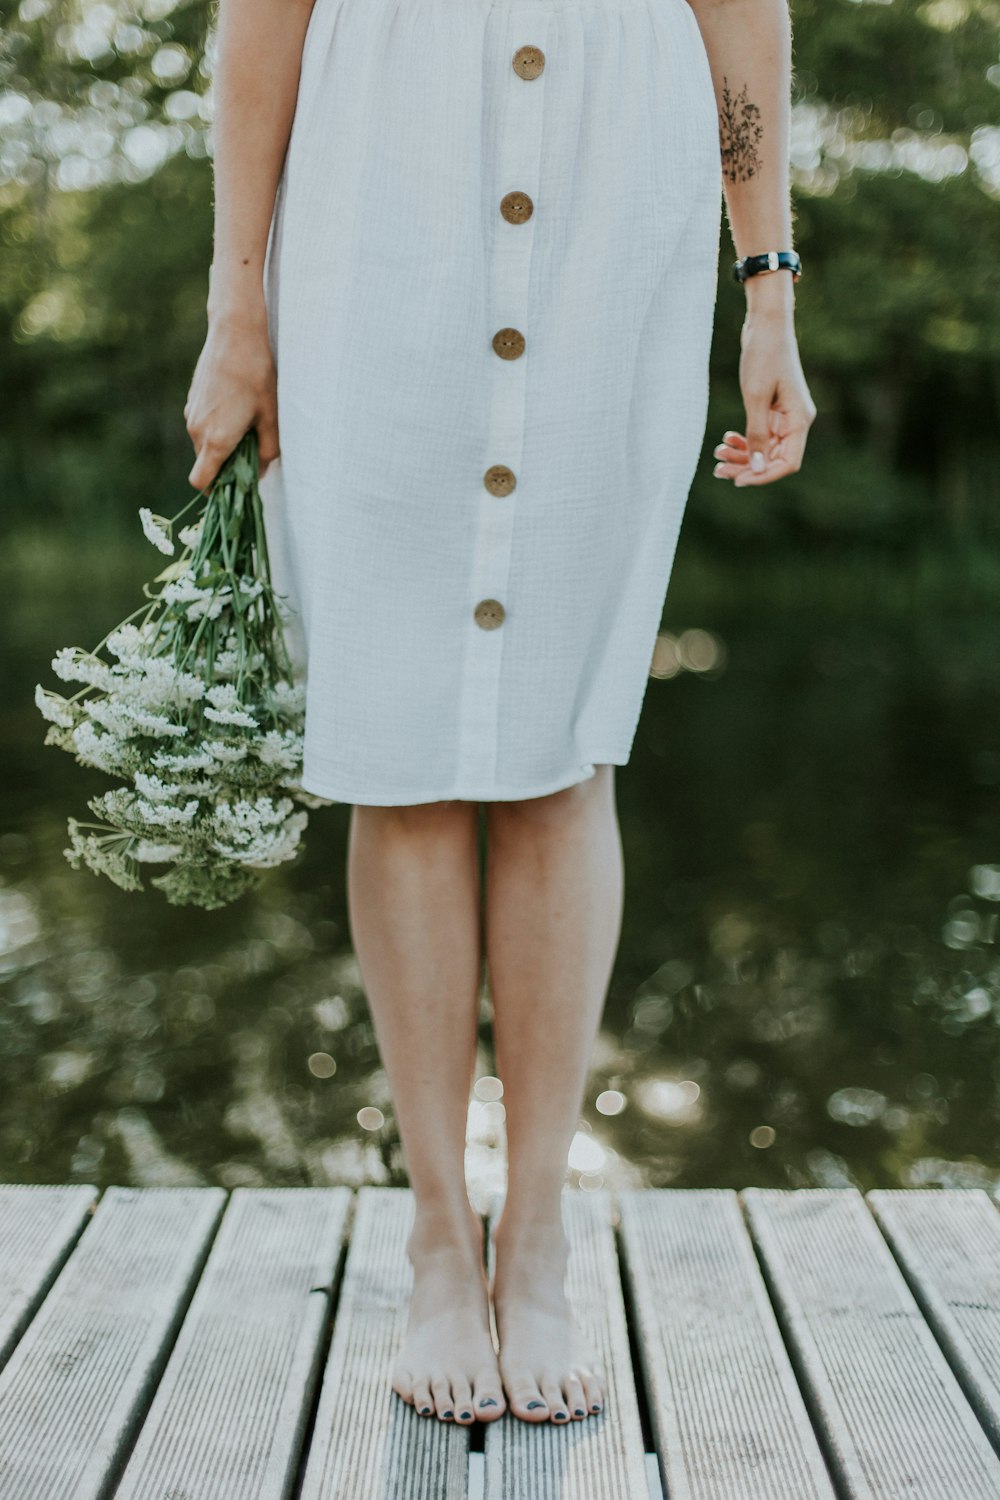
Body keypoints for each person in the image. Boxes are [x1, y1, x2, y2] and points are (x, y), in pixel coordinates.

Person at [184, 0, 816, 1430]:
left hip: (621, 211)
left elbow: (744, 11)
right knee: (398, 757)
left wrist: (768, 281)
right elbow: (262, 20)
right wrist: (238, 303)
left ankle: (535, 1238)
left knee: (561, 752)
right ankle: (430, 1241)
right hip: (374, 212)